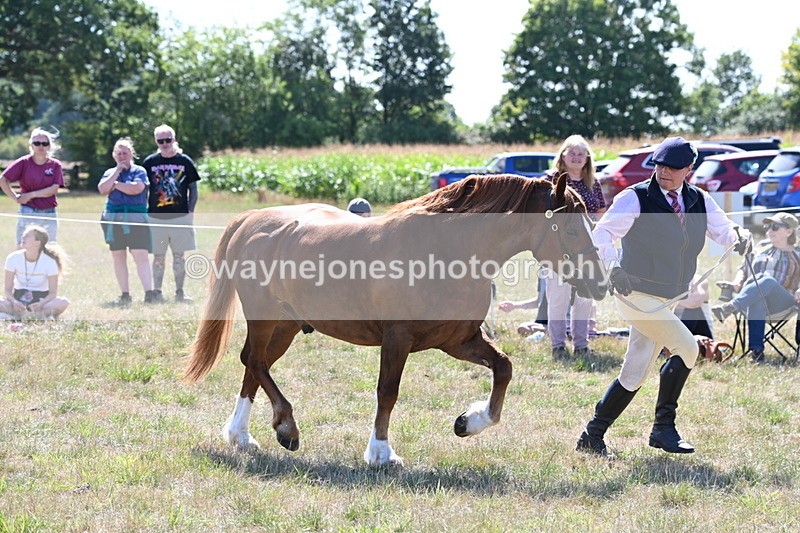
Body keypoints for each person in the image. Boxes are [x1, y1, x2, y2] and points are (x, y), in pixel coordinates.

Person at [576, 136, 750, 456]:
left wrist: (739, 237)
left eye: (672, 167)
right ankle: (663, 429)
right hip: (635, 294)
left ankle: (592, 435)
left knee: (635, 371)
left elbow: (724, 230)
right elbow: (603, 235)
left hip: (669, 297)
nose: (663, 171)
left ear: (689, 169)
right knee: (686, 347)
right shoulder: (635, 197)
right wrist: (613, 268)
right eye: (659, 165)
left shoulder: (699, 199)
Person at [544, 135, 606, 359]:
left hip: (585, 248)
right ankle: (558, 345)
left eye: (581, 154)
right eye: (572, 153)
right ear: (563, 155)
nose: (577, 158)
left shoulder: (593, 182)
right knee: (558, 297)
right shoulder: (551, 179)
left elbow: (600, 211)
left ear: (587, 157)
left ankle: (581, 344)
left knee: (585, 296)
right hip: (559, 249)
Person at [712, 212, 800, 364]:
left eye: (774, 227)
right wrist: (737, 283)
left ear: (789, 231)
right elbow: (743, 269)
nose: (769, 231)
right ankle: (757, 352)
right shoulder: (761, 247)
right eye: (767, 226)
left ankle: (731, 307)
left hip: (783, 302)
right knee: (757, 295)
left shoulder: (797, 255)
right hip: (754, 299)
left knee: (764, 280)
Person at [142, 124, 200, 303]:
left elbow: (193, 189)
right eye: (161, 141)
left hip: (180, 217)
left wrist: (190, 211)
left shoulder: (185, 161)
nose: (165, 143)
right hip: (156, 218)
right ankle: (157, 292)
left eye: (168, 140)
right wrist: (145, 211)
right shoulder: (150, 162)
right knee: (158, 257)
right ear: (156, 142)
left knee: (179, 256)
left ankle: (180, 292)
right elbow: (144, 190)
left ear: (174, 140)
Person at [98, 138, 157, 306]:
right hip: (113, 220)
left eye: (125, 153)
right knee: (118, 255)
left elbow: (136, 189)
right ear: (114, 155)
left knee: (141, 255)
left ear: (132, 154)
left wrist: (115, 185)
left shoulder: (140, 171)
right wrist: (116, 173)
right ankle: (125, 294)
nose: (122, 156)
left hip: (136, 219)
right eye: (119, 153)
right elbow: (103, 189)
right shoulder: (110, 172)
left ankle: (149, 293)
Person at [0, 128, 65, 244]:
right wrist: (16, 198)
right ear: (31, 145)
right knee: (24, 246)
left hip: (49, 212)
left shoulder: (55, 165)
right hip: (28, 210)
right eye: (37, 143)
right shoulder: (23, 162)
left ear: (49, 146)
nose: (41, 146)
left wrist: (30, 195)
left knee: (50, 247)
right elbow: (3, 180)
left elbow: (54, 189)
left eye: (44, 143)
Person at [1, 225, 69, 319]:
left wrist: (41, 303)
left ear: (37, 243)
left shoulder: (50, 262)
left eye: (27, 236)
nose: (22, 237)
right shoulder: (12, 258)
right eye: (23, 235)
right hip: (18, 300)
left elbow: (53, 293)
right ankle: (39, 316)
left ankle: (16, 316)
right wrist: (14, 302)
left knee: (63, 302)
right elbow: (7, 291)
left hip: (41, 301)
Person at [675, 275, 713, 339]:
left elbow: (693, 303)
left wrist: (668, 299)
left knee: (693, 310)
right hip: (675, 329)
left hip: (702, 335)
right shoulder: (667, 281)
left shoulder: (700, 280)